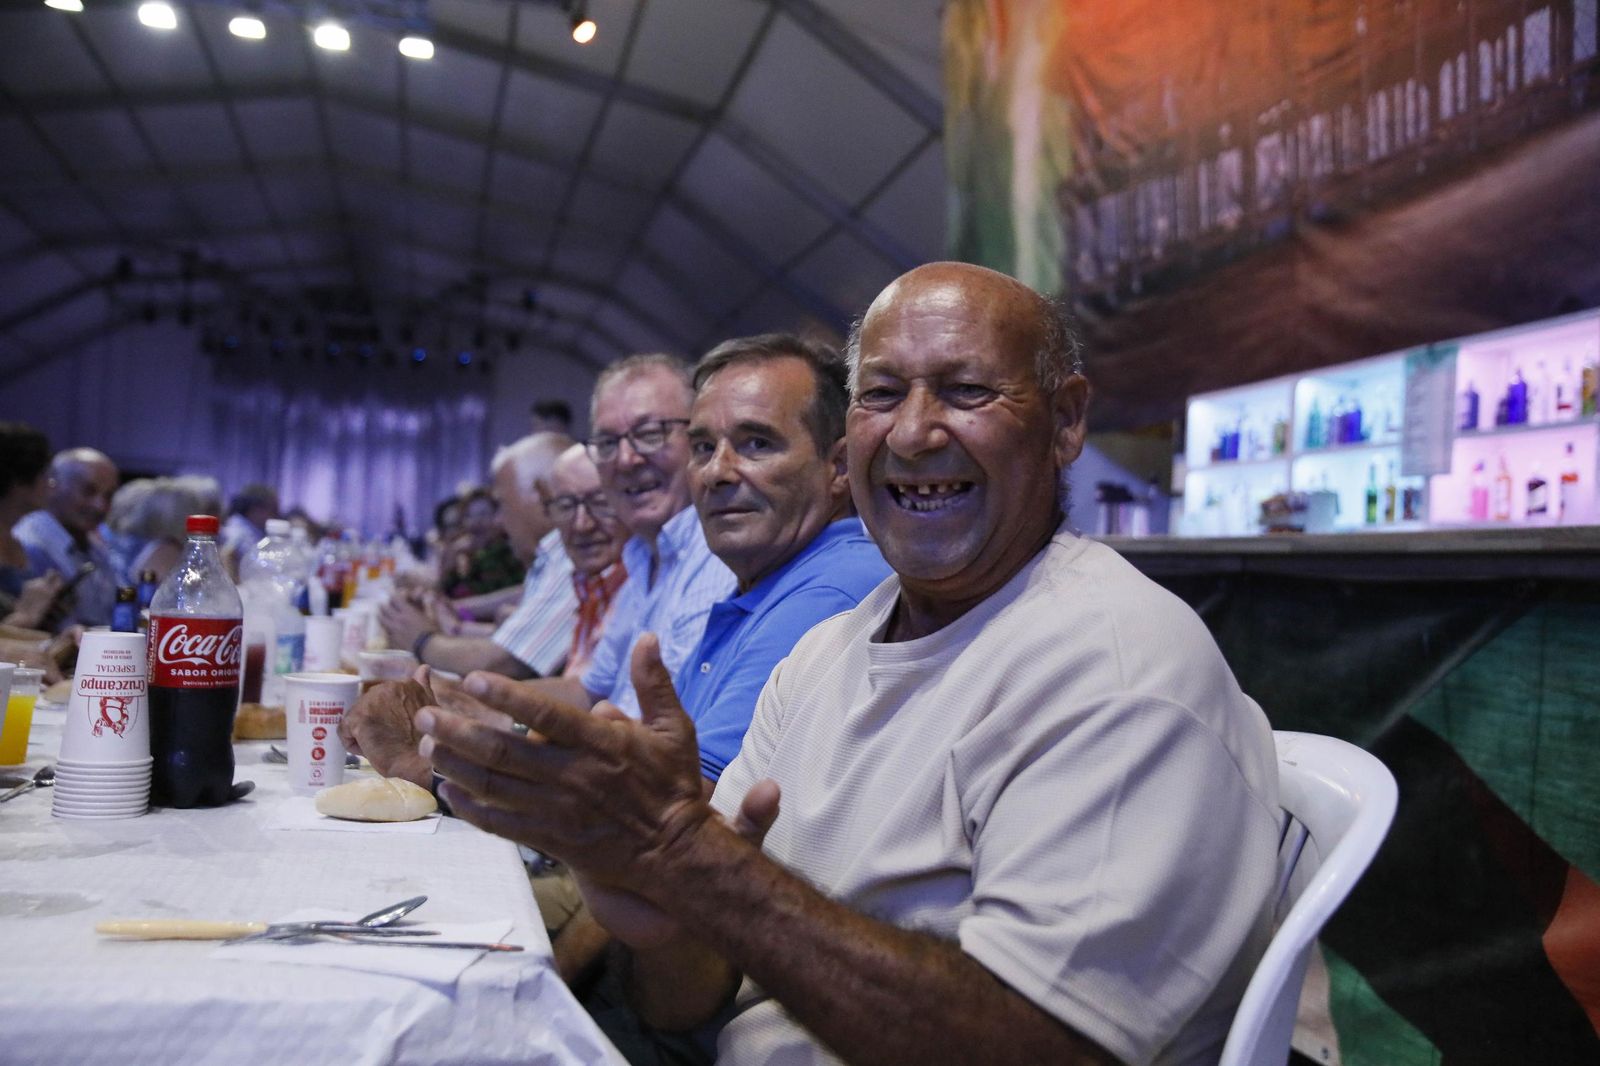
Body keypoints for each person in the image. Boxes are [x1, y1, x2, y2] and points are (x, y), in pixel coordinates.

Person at [418, 263, 1282, 1066]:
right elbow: (687, 1002)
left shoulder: (1114, 670)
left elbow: (1043, 1048)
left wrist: (689, 862)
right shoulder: (828, 653)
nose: (911, 432)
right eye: (880, 395)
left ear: (1065, 421)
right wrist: (656, 898)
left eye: (966, 390)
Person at [378, 433, 577, 682]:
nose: (498, 521)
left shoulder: (572, 557)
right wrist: (452, 622)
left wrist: (421, 638)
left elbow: (507, 661)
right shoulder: (550, 558)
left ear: (538, 495)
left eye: (502, 504)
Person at [14, 447, 120, 629]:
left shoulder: (96, 544)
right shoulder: (29, 543)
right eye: (89, 491)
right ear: (52, 485)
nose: (100, 506)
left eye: (108, 496)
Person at [0, 422, 65, 631]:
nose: (51, 484)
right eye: (46, 474)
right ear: (19, 480)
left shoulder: (15, 541)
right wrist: (26, 615)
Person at [220, 482, 279, 571]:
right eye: (273, 509)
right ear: (256, 508)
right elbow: (226, 557)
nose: (275, 515)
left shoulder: (254, 529)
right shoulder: (237, 531)